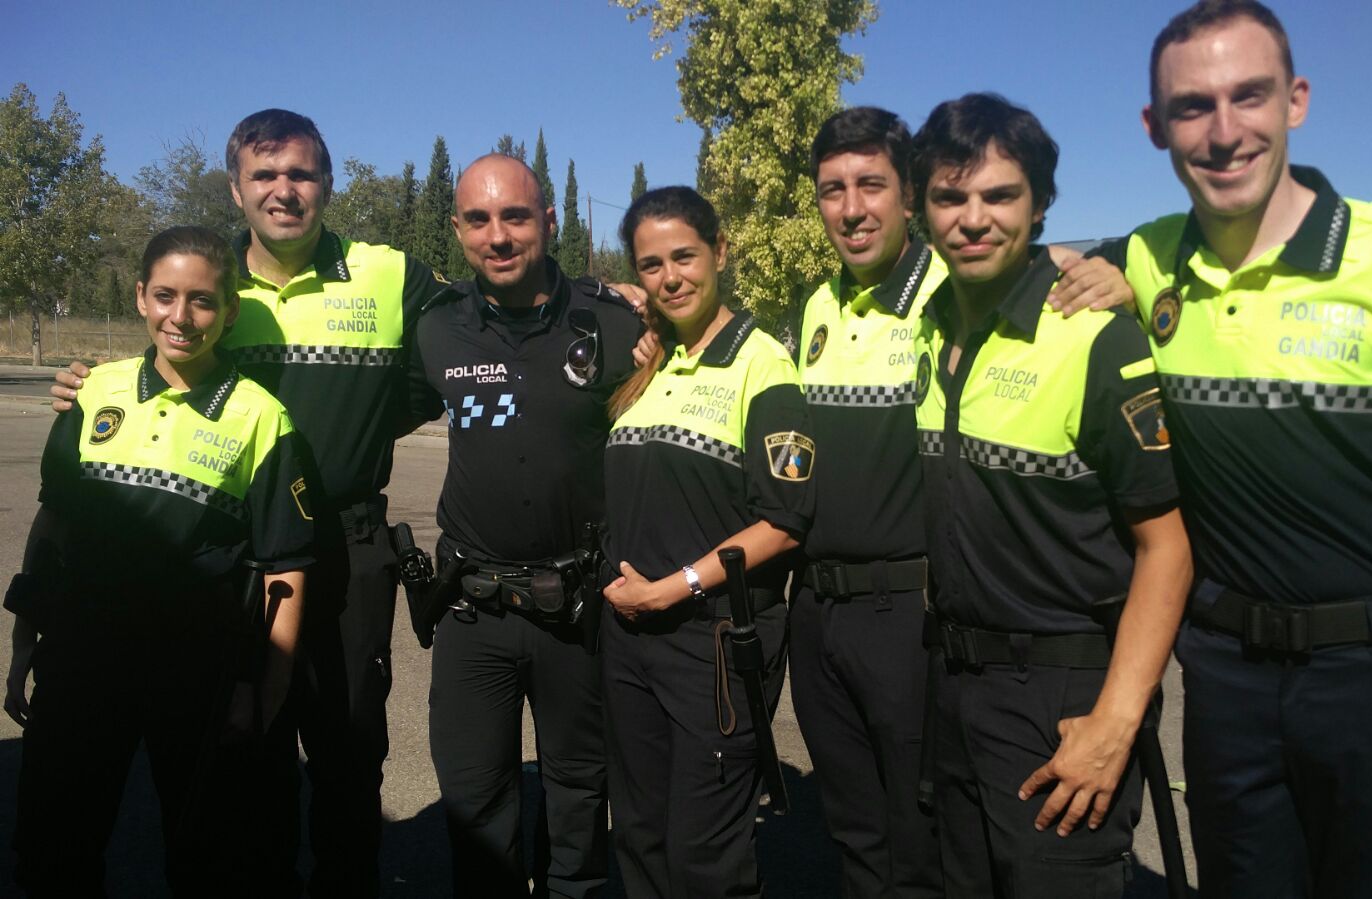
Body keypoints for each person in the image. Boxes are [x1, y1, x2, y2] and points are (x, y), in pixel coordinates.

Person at [1061, 2, 1372, 894]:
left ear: (1294, 100)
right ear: (1152, 126)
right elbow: (1005, 256)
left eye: (1247, 97)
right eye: (1191, 106)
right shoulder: (1142, 259)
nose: (1223, 132)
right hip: (1230, 688)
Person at [51, 109, 447, 897]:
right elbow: (171, 349)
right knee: (244, 746)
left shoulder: (390, 274)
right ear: (235, 188)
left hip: (347, 548)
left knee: (346, 749)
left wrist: (593, 299)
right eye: (263, 175)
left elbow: (465, 345)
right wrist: (83, 385)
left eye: (300, 173)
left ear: (327, 183)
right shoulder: (213, 279)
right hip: (236, 559)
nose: (283, 191)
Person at [791, 105, 1138, 899]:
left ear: (907, 198)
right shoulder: (813, 307)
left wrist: (1124, 269)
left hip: (918, 617)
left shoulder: (957, 284)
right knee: (857, 831)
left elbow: (1039, 262)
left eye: (871, 184)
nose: (851, 208)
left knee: (928, 845)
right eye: (832, 189)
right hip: (822, 611)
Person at [909, 93, 1193, 898]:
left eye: (999, 196)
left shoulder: (1094, 336)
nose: (973, 218)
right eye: (949, 196)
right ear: (919, 207)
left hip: (1064, 697)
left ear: (1039, 207)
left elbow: (1166, 546)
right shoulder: (932, 331)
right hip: (954, 686)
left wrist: (1114, 722)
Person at [6, 226, 315, 897]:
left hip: (196, 674)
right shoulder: (93, 390)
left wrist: (264, 690)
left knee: (206, 861)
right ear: (142, 297)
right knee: (52, 849)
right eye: (166, 296)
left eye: (202, 301)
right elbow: (53, 523)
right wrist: (24, 640)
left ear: (229, 311)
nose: (183, 317)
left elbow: (284, 571)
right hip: (81, 659)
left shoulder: (262, 417)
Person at [403, 154, 639, 898]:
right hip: (473, 611)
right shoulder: (436, 331)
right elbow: (337, 400)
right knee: (476, 810)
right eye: (478, 219)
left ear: (549, 221)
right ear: (458, 230)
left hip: (579, 608)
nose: (497, 236)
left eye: (515, 216)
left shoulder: (615, 318)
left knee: (578, 803)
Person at [601, 186, 815, 898]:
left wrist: (671, 588)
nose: (671, 276)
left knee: (704, 858)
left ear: (720, 253)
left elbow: (784, 520)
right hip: (630, 640)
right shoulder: (648, 366)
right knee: (637, 834)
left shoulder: (764, 365)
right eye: (652, 263)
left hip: (712, 644)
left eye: (684, 256)